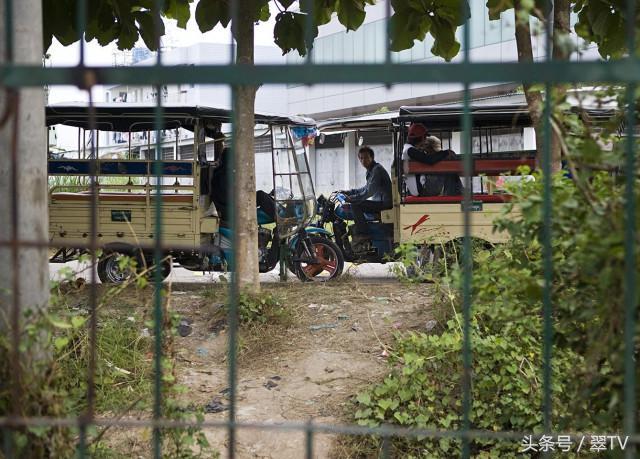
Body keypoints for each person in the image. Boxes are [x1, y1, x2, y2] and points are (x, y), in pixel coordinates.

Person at [342, 146, 392, 246]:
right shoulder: (371, 170)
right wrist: (350, 192)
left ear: (372, 157)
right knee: (355, 202)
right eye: (361, 158)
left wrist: (352, 199)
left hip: (384, 203)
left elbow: (369, 192)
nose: (363, 160)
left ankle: (362, 234)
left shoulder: (377, 170)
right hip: (379, 202)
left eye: (366, 158)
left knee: (355, 205)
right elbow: (365, 188)